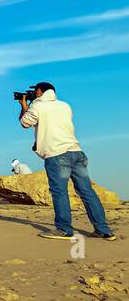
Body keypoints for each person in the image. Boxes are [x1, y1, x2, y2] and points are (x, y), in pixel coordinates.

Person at [18, 82, 115, 241]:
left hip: (57, 155)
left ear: (40, 91)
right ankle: (103, 229)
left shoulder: (38, 105)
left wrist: (24, 105)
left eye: (35, 91)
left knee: (59, 192)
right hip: (76, 152)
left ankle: (63, 229)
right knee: (87, 192)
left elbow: (25, 123)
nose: (33, 94)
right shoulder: (65, 106)